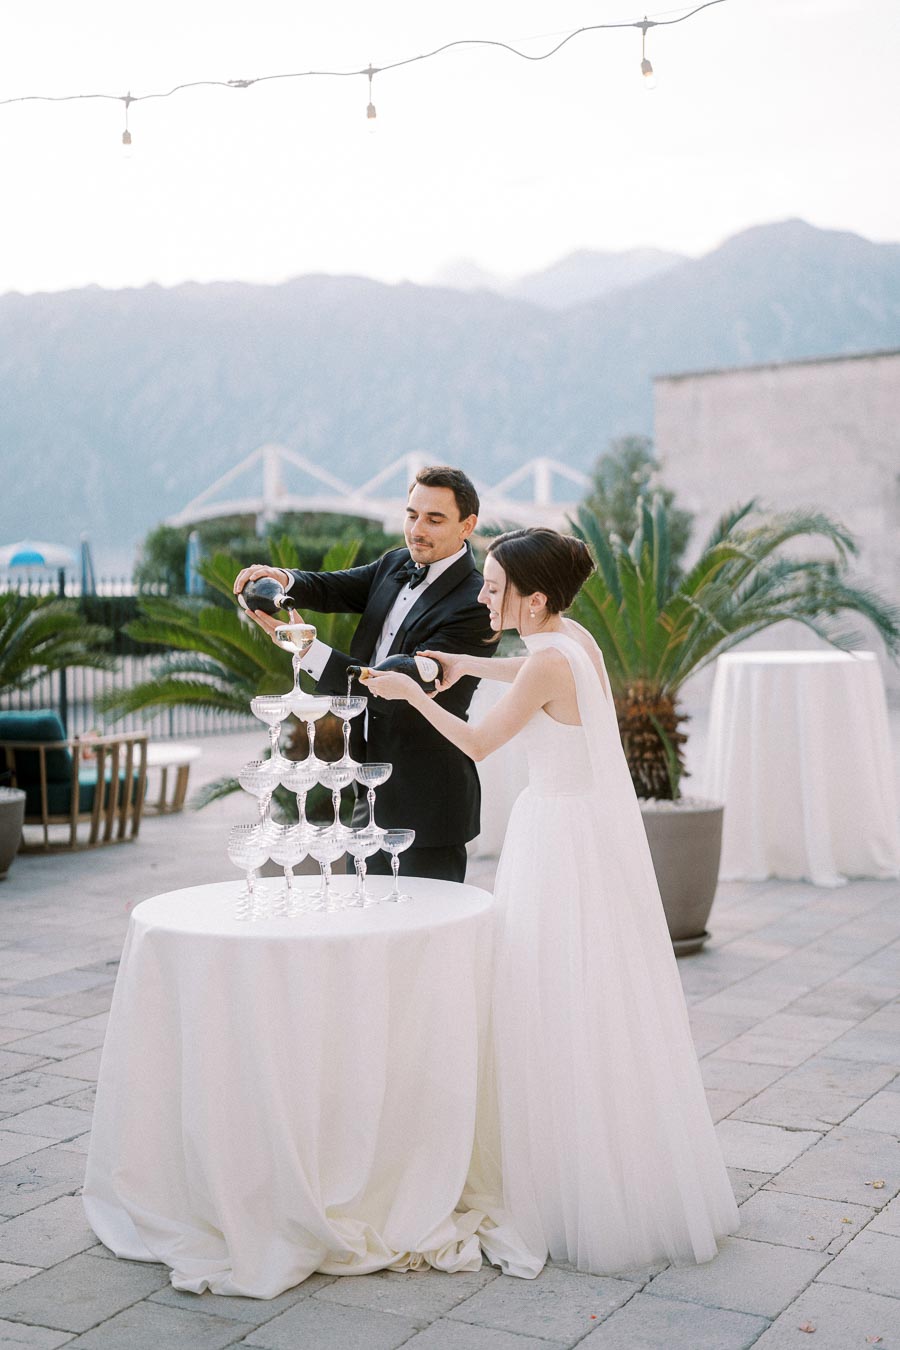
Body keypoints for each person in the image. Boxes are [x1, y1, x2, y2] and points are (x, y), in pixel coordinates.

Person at [365, 525, 740, 1278]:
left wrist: (410, 688)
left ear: (533, 600)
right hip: (578, 834)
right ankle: (603, 1167)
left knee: (544, 998)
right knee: (591, 1000)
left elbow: (475, 743)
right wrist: (460, 660)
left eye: (495, 585)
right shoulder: (574, 640)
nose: (482, 593)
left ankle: (557, 1178)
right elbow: (522, 668)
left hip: (556, 841)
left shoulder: (545, 662)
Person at [233, 465, 494, 883]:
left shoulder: (476, 603)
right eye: (412, 515)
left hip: (426, 802)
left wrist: (307, 651)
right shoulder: (395, 564)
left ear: (468, 525)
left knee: (425, 936)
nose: (417, 529)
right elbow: (334, 587)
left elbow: (394, 685)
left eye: (434, 519)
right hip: (367, 785)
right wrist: (284, 579)